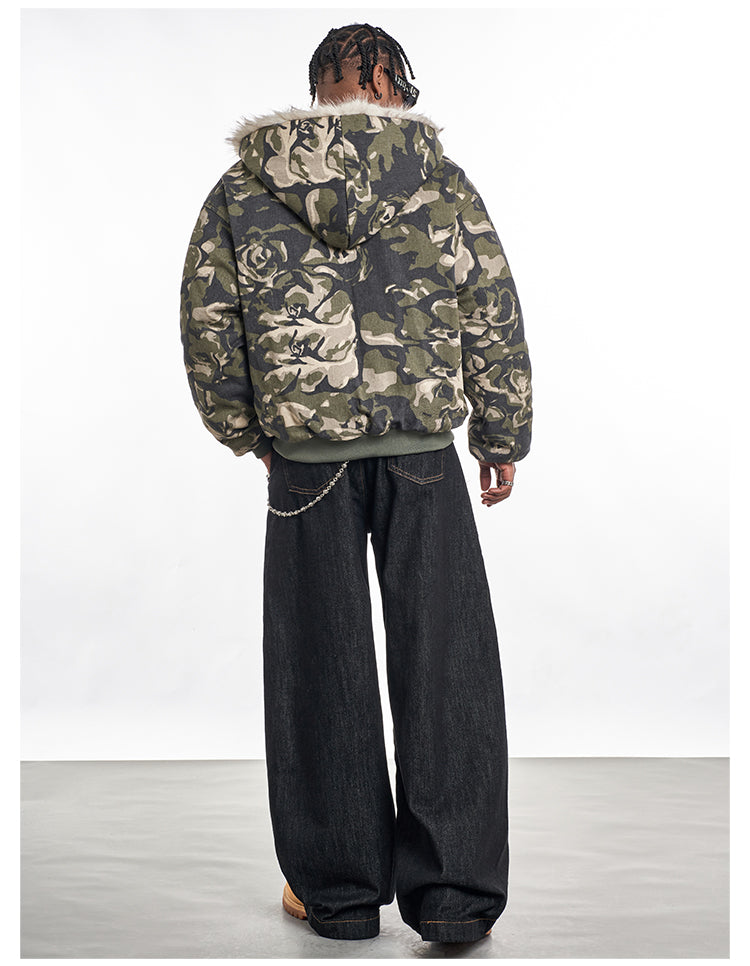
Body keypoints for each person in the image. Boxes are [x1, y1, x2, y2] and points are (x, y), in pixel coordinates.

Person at [179, 22, 532, 945]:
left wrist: (250, 434)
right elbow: (490, 307)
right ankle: (453, 896)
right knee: (447, 661)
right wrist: (501, 434)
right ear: (393, 86)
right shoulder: (439, 179)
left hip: (306, 463)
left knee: (317, 667)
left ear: (318, 88)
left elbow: (208, 322)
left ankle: (337, 894)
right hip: (424, 453)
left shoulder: (245, 185)